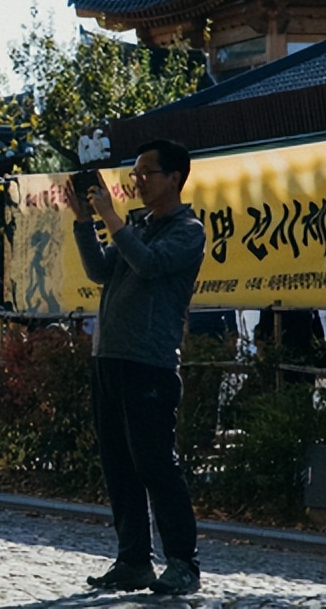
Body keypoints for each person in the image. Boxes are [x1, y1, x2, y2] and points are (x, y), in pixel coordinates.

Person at [67, 139, 206, 596]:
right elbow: (100, 271)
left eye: (147, 173)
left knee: (156, 465)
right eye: (136, 173)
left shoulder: (188, 230)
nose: (138, 181)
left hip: (150, 362)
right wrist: (84, 221)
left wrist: (110, 218)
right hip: (109, 357)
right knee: (118, 465)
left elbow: (148, 266)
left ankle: (183, 562)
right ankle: (133, 560)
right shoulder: (138, 224)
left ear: (175, 178)